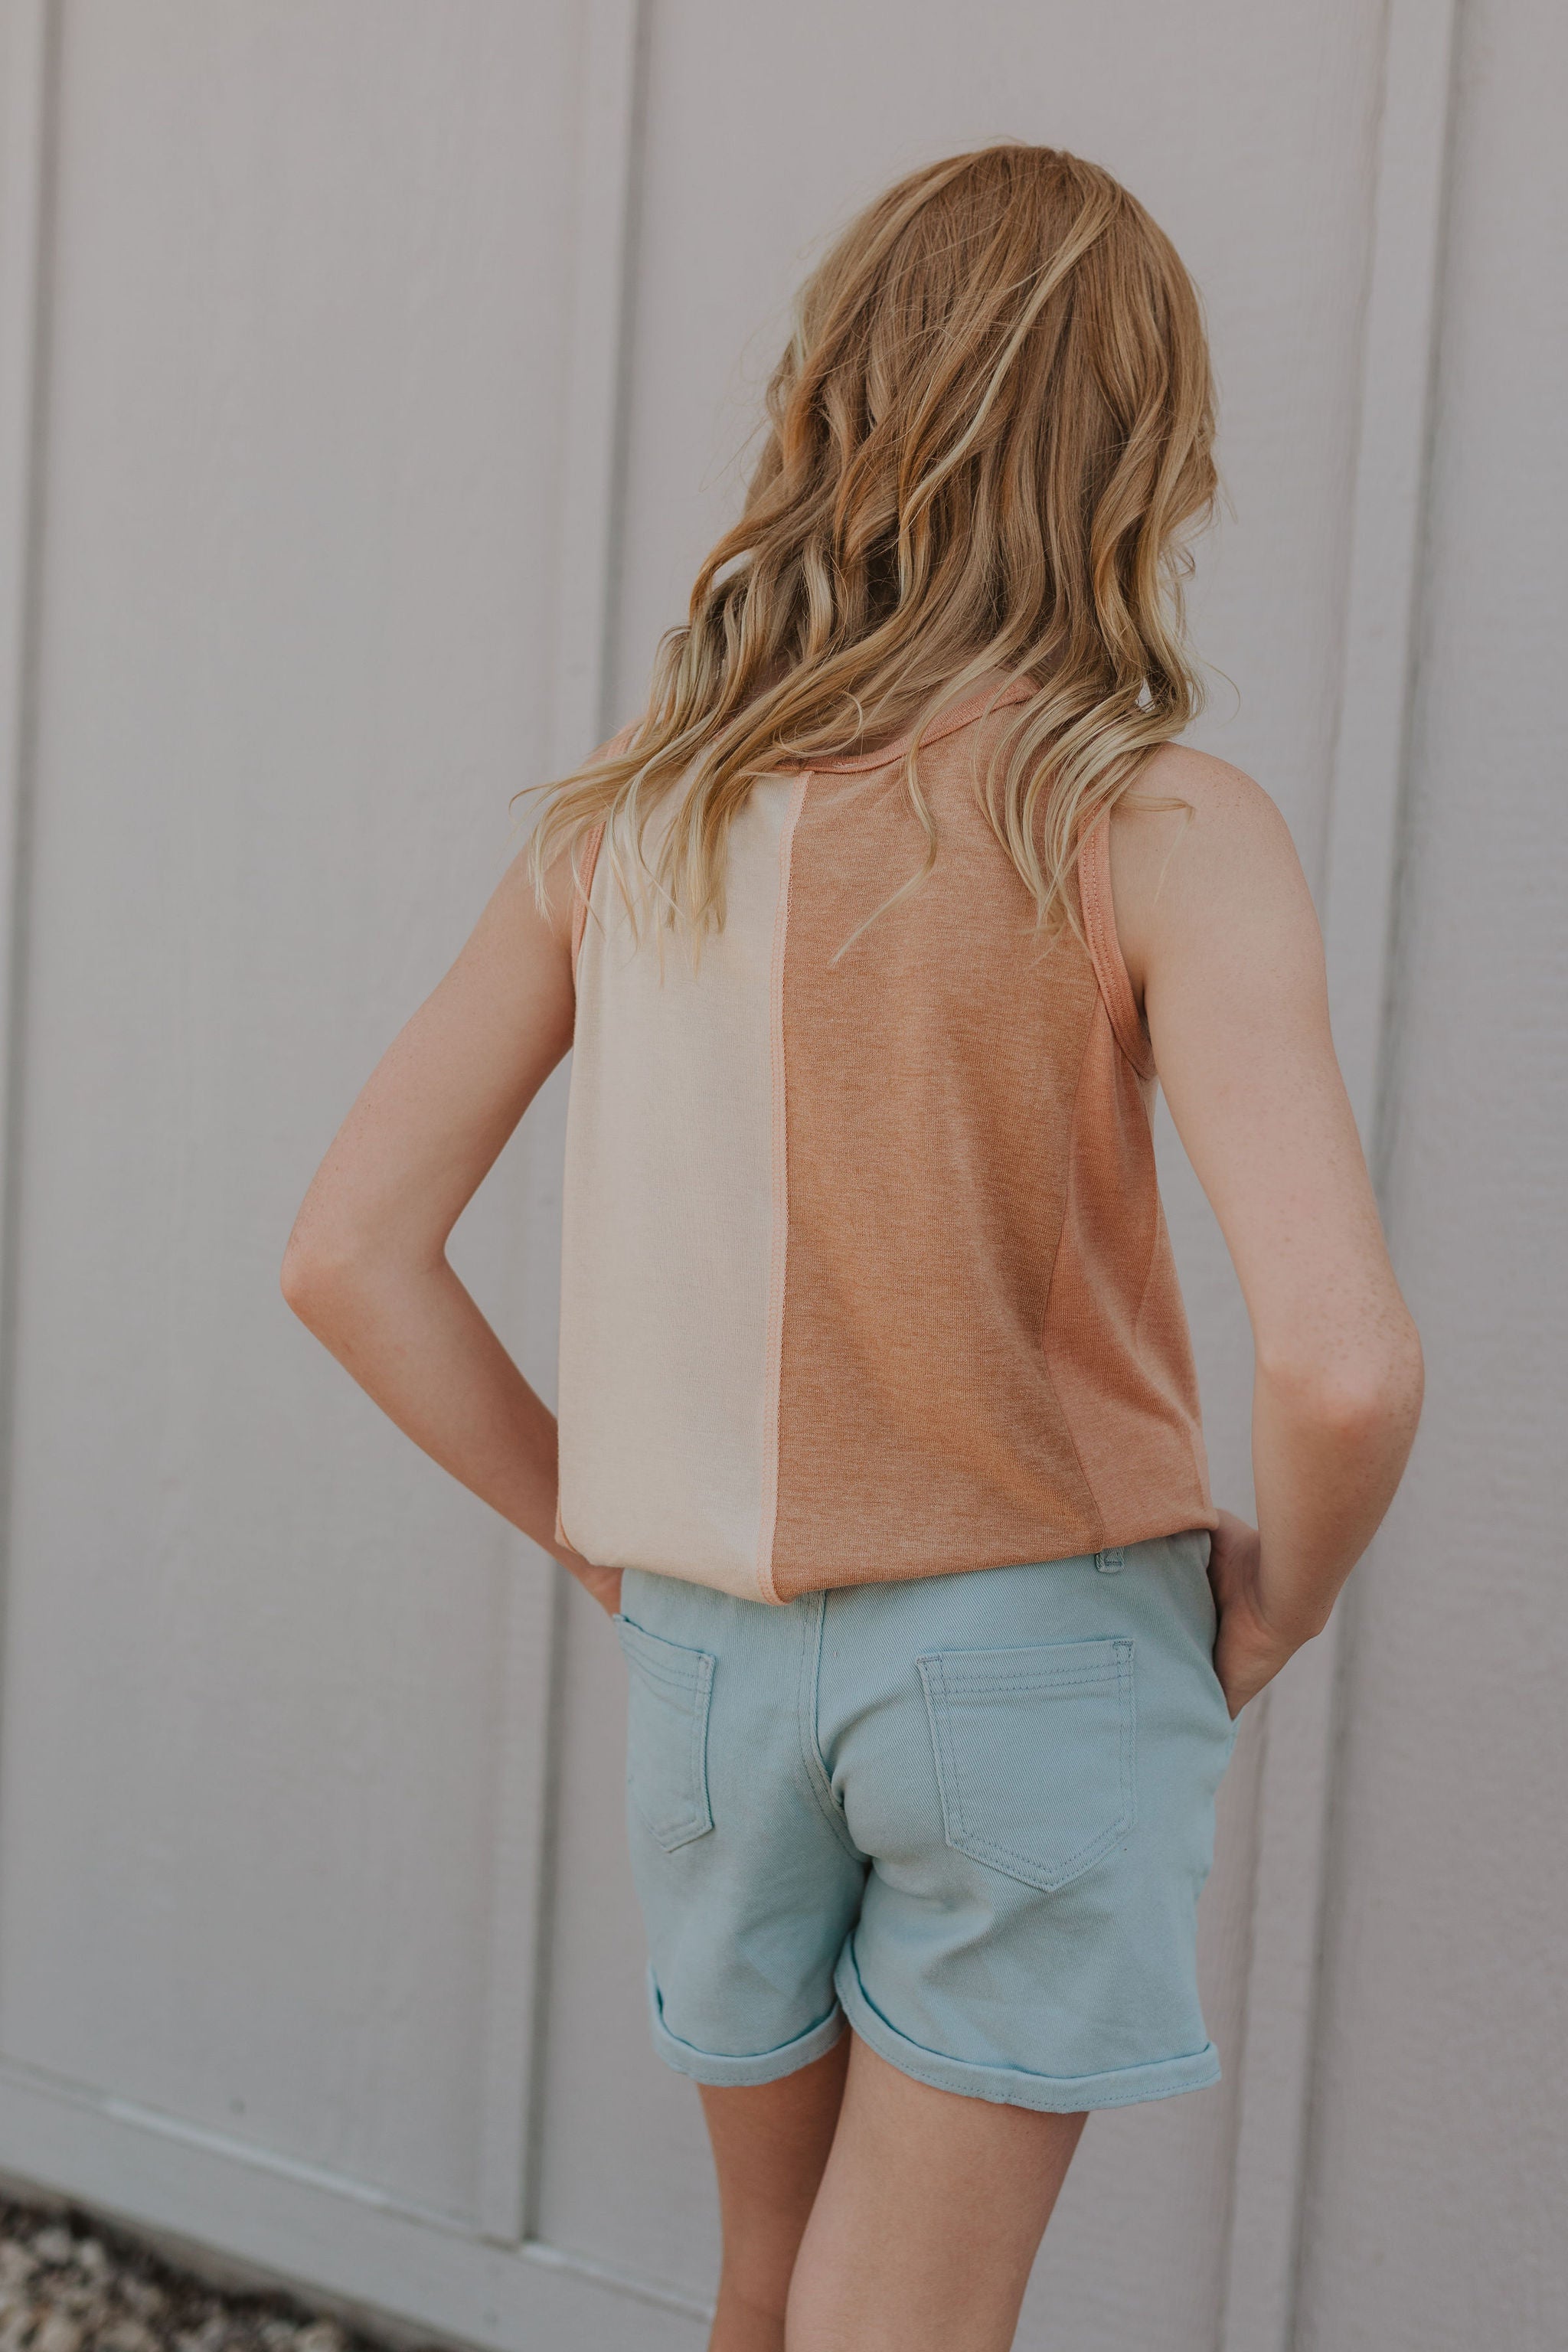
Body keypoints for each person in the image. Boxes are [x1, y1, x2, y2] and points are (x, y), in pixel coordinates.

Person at [283, 144, 1423, 2352]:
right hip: (1038, 1646)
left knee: (766, 2292)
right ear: (1147, 450)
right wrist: (1277, 1605)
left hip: (713, 1662)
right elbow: (1346, 1365)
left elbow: (349, 1251)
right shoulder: (1153, 820)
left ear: (829, 402)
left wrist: (600, 1538)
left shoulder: (639, 820)